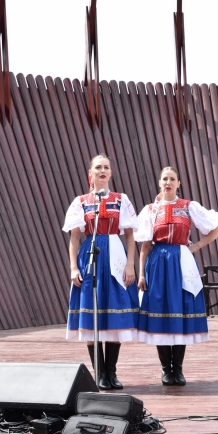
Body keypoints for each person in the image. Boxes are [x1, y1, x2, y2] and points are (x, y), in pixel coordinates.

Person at [136, 167, 218, 386]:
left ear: (178, 183)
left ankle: (179, 369)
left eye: (172, 179)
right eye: (165, 179)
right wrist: (140, 274)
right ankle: (166, 369)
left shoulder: (188, 207)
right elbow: (145, 246)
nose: (168, 182)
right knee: (161, 310)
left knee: (180, 309)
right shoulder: (150, 210)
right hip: (157, 262)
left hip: (182, 260)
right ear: (159, 182)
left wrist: (196, 246)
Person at [62, 154, 139, 390]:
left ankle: (112, 372)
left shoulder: (121, 199)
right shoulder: (81, 201)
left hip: (116, 254)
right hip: (91, 256)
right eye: (98, 167)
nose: (103, 171)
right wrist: (74, 267)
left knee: (114, 313)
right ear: (91, 173)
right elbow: (75, 237)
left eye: (106, 167)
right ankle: (100, 374)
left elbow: (130, 234)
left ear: (111, 173)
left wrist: (130, 264)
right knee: (92, 314)